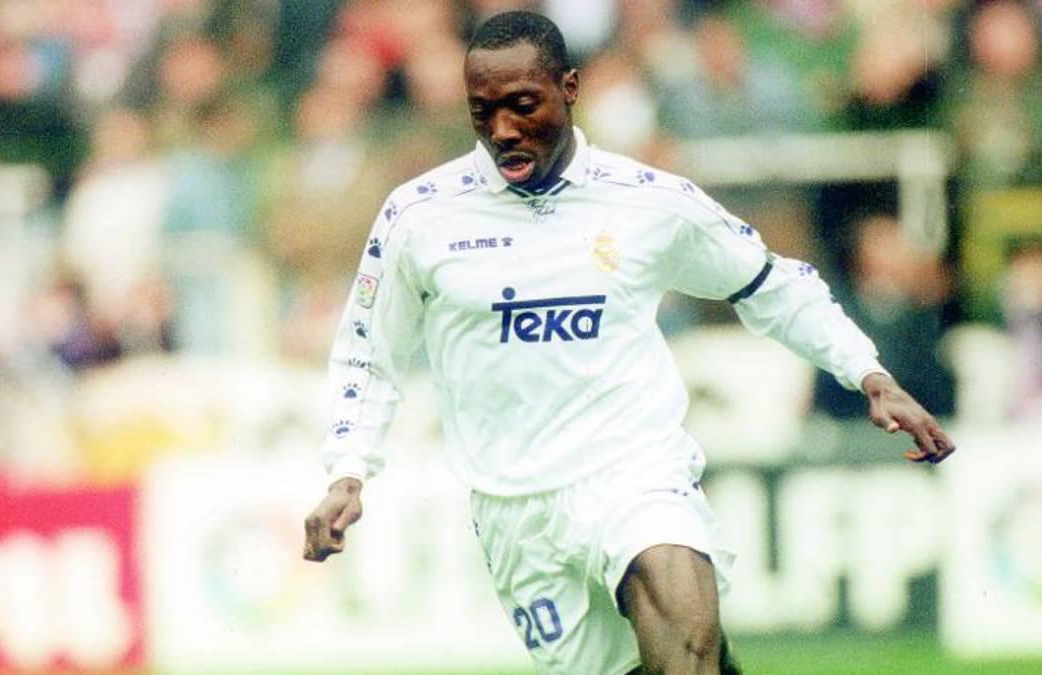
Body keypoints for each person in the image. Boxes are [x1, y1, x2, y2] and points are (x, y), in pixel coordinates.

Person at [302, 11, 954, 675]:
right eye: (482, 111)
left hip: (634, 471)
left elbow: (771, 282)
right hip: (515, 509)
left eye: (523, 105)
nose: (502, 130)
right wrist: (347, 468)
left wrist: (866, 371)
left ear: (570, 87)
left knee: (681, 635)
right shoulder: (419, 216)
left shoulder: (647, 201)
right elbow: (367, 351)